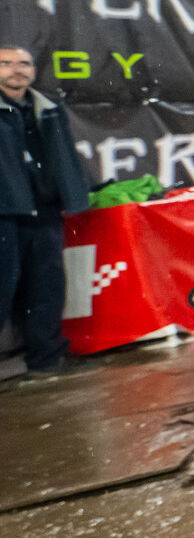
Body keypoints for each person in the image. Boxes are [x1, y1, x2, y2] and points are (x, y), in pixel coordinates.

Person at [0, 44, 91, 376]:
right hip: (5, 214)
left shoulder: (48, 108)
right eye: (6, 64)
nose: (17, 70)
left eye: (24, 63)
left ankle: (47, 361)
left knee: (47, 289)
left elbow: (65, 157)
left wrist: (76, 195)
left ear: (34, 71)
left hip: (44, 213)